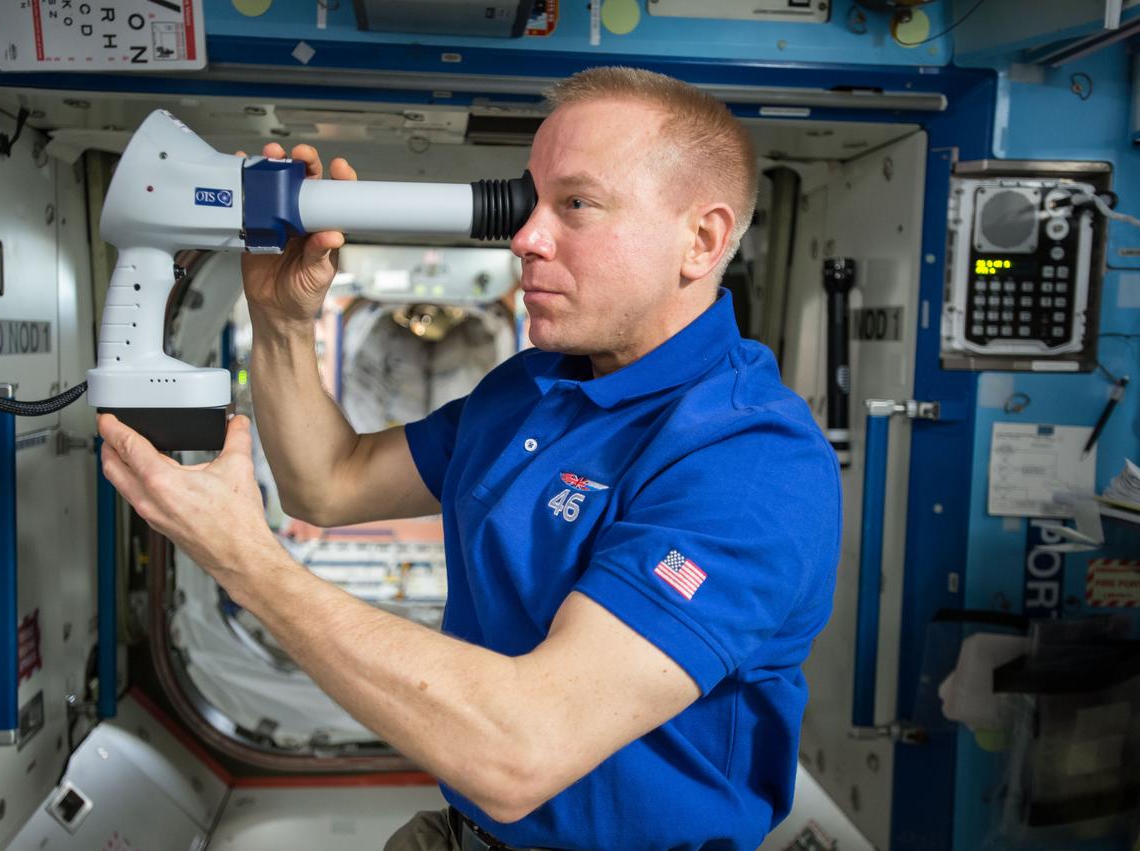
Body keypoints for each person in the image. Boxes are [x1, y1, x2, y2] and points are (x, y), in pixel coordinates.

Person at [98, 66, 841, 851]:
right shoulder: (531, 388)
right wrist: (281, 318)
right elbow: (329, 482)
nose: (524, 238)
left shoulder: (751, 461)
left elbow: (520, 749)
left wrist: (247, 563)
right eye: (530, 202)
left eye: (576, 205)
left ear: (702, 239)